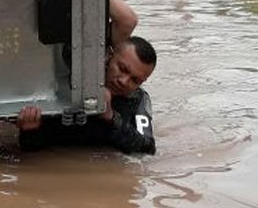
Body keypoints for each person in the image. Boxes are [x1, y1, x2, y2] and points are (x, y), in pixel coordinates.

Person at [18, 36, 156, 155]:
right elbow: (32, 148)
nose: (124, 81)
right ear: (108, 56)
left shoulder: (137, 99)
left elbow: (147, 147)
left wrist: (110, 117)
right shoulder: (65, 84)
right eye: (122, 69)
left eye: (135, 80)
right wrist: (30, 131)